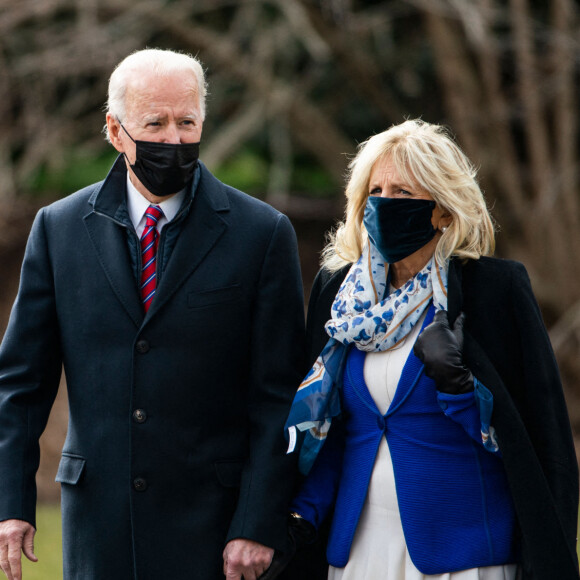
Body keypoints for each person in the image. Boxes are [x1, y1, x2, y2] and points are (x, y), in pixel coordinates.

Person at [0, 48, 306, 580]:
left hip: (214, 529)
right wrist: (10, 503)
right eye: (155, 123)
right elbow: (21, 385)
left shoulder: (262, 234)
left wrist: (258, 519)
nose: (173, 140)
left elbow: (278, 393)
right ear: (115, 131)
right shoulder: (58, 229)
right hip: (99, 526)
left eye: (187, 122)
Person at [281, 119, 579, 579]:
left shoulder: (492, 290)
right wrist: (301, 512)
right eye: (374, 191)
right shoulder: (338, 296)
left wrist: (461, 389)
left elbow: (538, 439)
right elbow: (330, 430)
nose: (384, 203)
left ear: (443, 209)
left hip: (464, 554)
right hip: (357, 551)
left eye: (402, 192)